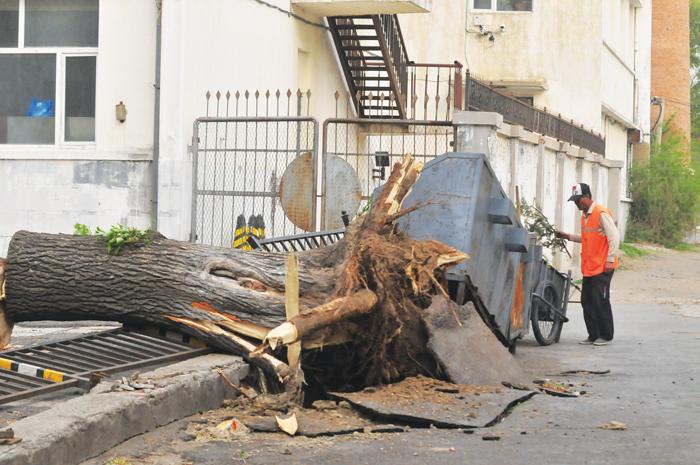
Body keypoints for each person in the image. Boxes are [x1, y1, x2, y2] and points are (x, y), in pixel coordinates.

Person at [556, 183, 620, 346]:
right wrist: (568, 236)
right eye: (575, 201)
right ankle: (593, 335)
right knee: (587, 301)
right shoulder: (585, 216)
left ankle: (605, 335)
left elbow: (614, 237)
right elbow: (586, 238)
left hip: (603, 266)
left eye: (578, 200)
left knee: (600, 300)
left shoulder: (600, 213)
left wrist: (610, 260)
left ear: (586, 197)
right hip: (590, 267)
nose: (577, 204)